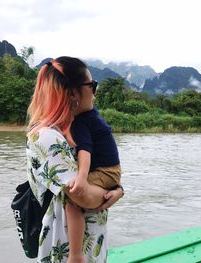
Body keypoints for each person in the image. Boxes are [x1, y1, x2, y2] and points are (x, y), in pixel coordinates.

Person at [26, 56, 124, 263]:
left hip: (91, 243)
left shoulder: (78, 128)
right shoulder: (46, 136)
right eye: (92, 85)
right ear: (72, 93)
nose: (95, 92)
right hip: (67, 248)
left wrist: (118, 190)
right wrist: (112, 193)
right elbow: (82, 196)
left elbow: (98, 176)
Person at [66, 86, 122, 262]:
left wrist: (81, 178)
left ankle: (75, 255)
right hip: (111, 171)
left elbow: (85, 150)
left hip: (105, 172)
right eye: (92, 86)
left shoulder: (81, 121)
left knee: (73, 200)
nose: (94, 92)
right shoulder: (91, 115)